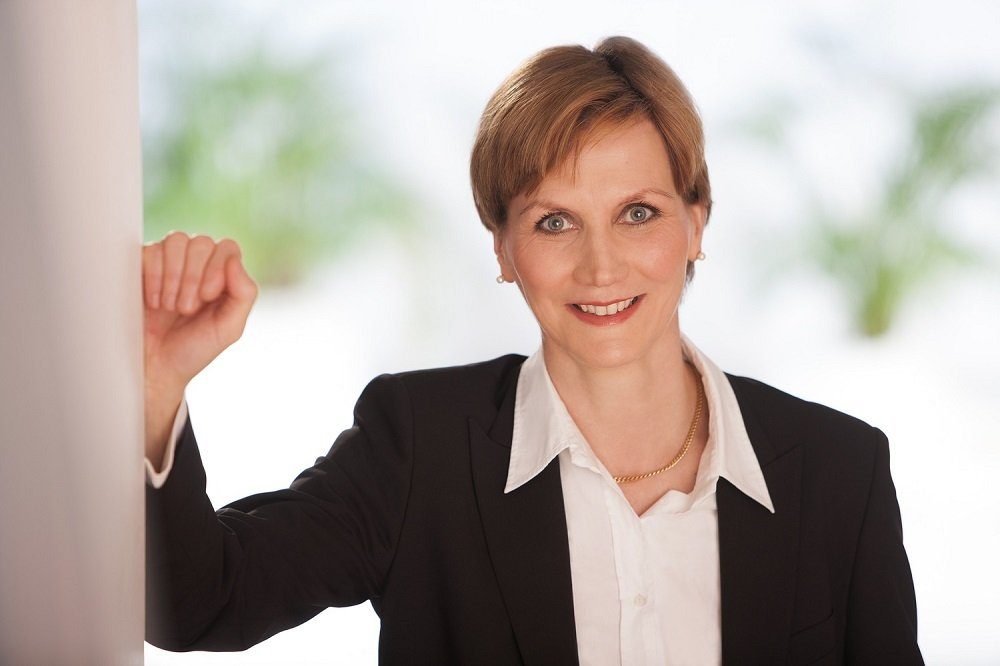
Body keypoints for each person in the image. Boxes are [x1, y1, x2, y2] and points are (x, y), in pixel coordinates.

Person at [143, 36, 923, 665]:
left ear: (697, 222)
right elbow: (199, 603)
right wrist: (154, 390)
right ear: (503, 247)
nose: (601, 267)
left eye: (638, 213)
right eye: (555, 222)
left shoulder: (839, 471)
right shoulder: (418, 448)